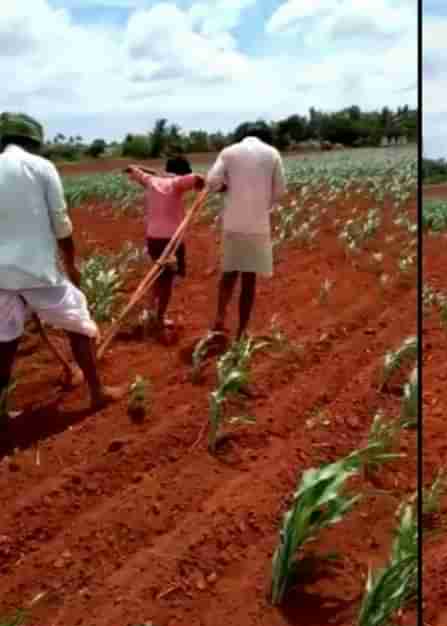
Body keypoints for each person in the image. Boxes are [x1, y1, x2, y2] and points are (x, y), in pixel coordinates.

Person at [0, 112, 122, 427]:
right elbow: (61, 222)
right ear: (34, 142)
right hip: (38, 270)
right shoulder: (40, 167)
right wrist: (71, 265)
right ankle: (97, 391)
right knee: (79, 323)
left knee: (4, 339)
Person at [204, 123, 286, 340]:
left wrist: (225, 188)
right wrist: (263, 202)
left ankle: (220, 318)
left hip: (233, 224)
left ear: (243, 135)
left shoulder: (229, 152)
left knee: (229, 273)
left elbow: (211, 182)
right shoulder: (273, 154)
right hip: (258, 226)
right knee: (249, 280)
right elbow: (280, 192)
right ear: (264, 136)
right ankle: (242, 330)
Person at [124, 156, 206, 336]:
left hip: (153, 238)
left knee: (156, 277)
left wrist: (141, 169)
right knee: (166, 281)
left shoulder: (152, 180)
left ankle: (150, 313)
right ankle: (159, 319)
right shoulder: (177, 182)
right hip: (171, 240)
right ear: (182, 171)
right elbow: (198, 179)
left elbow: (131, 168)